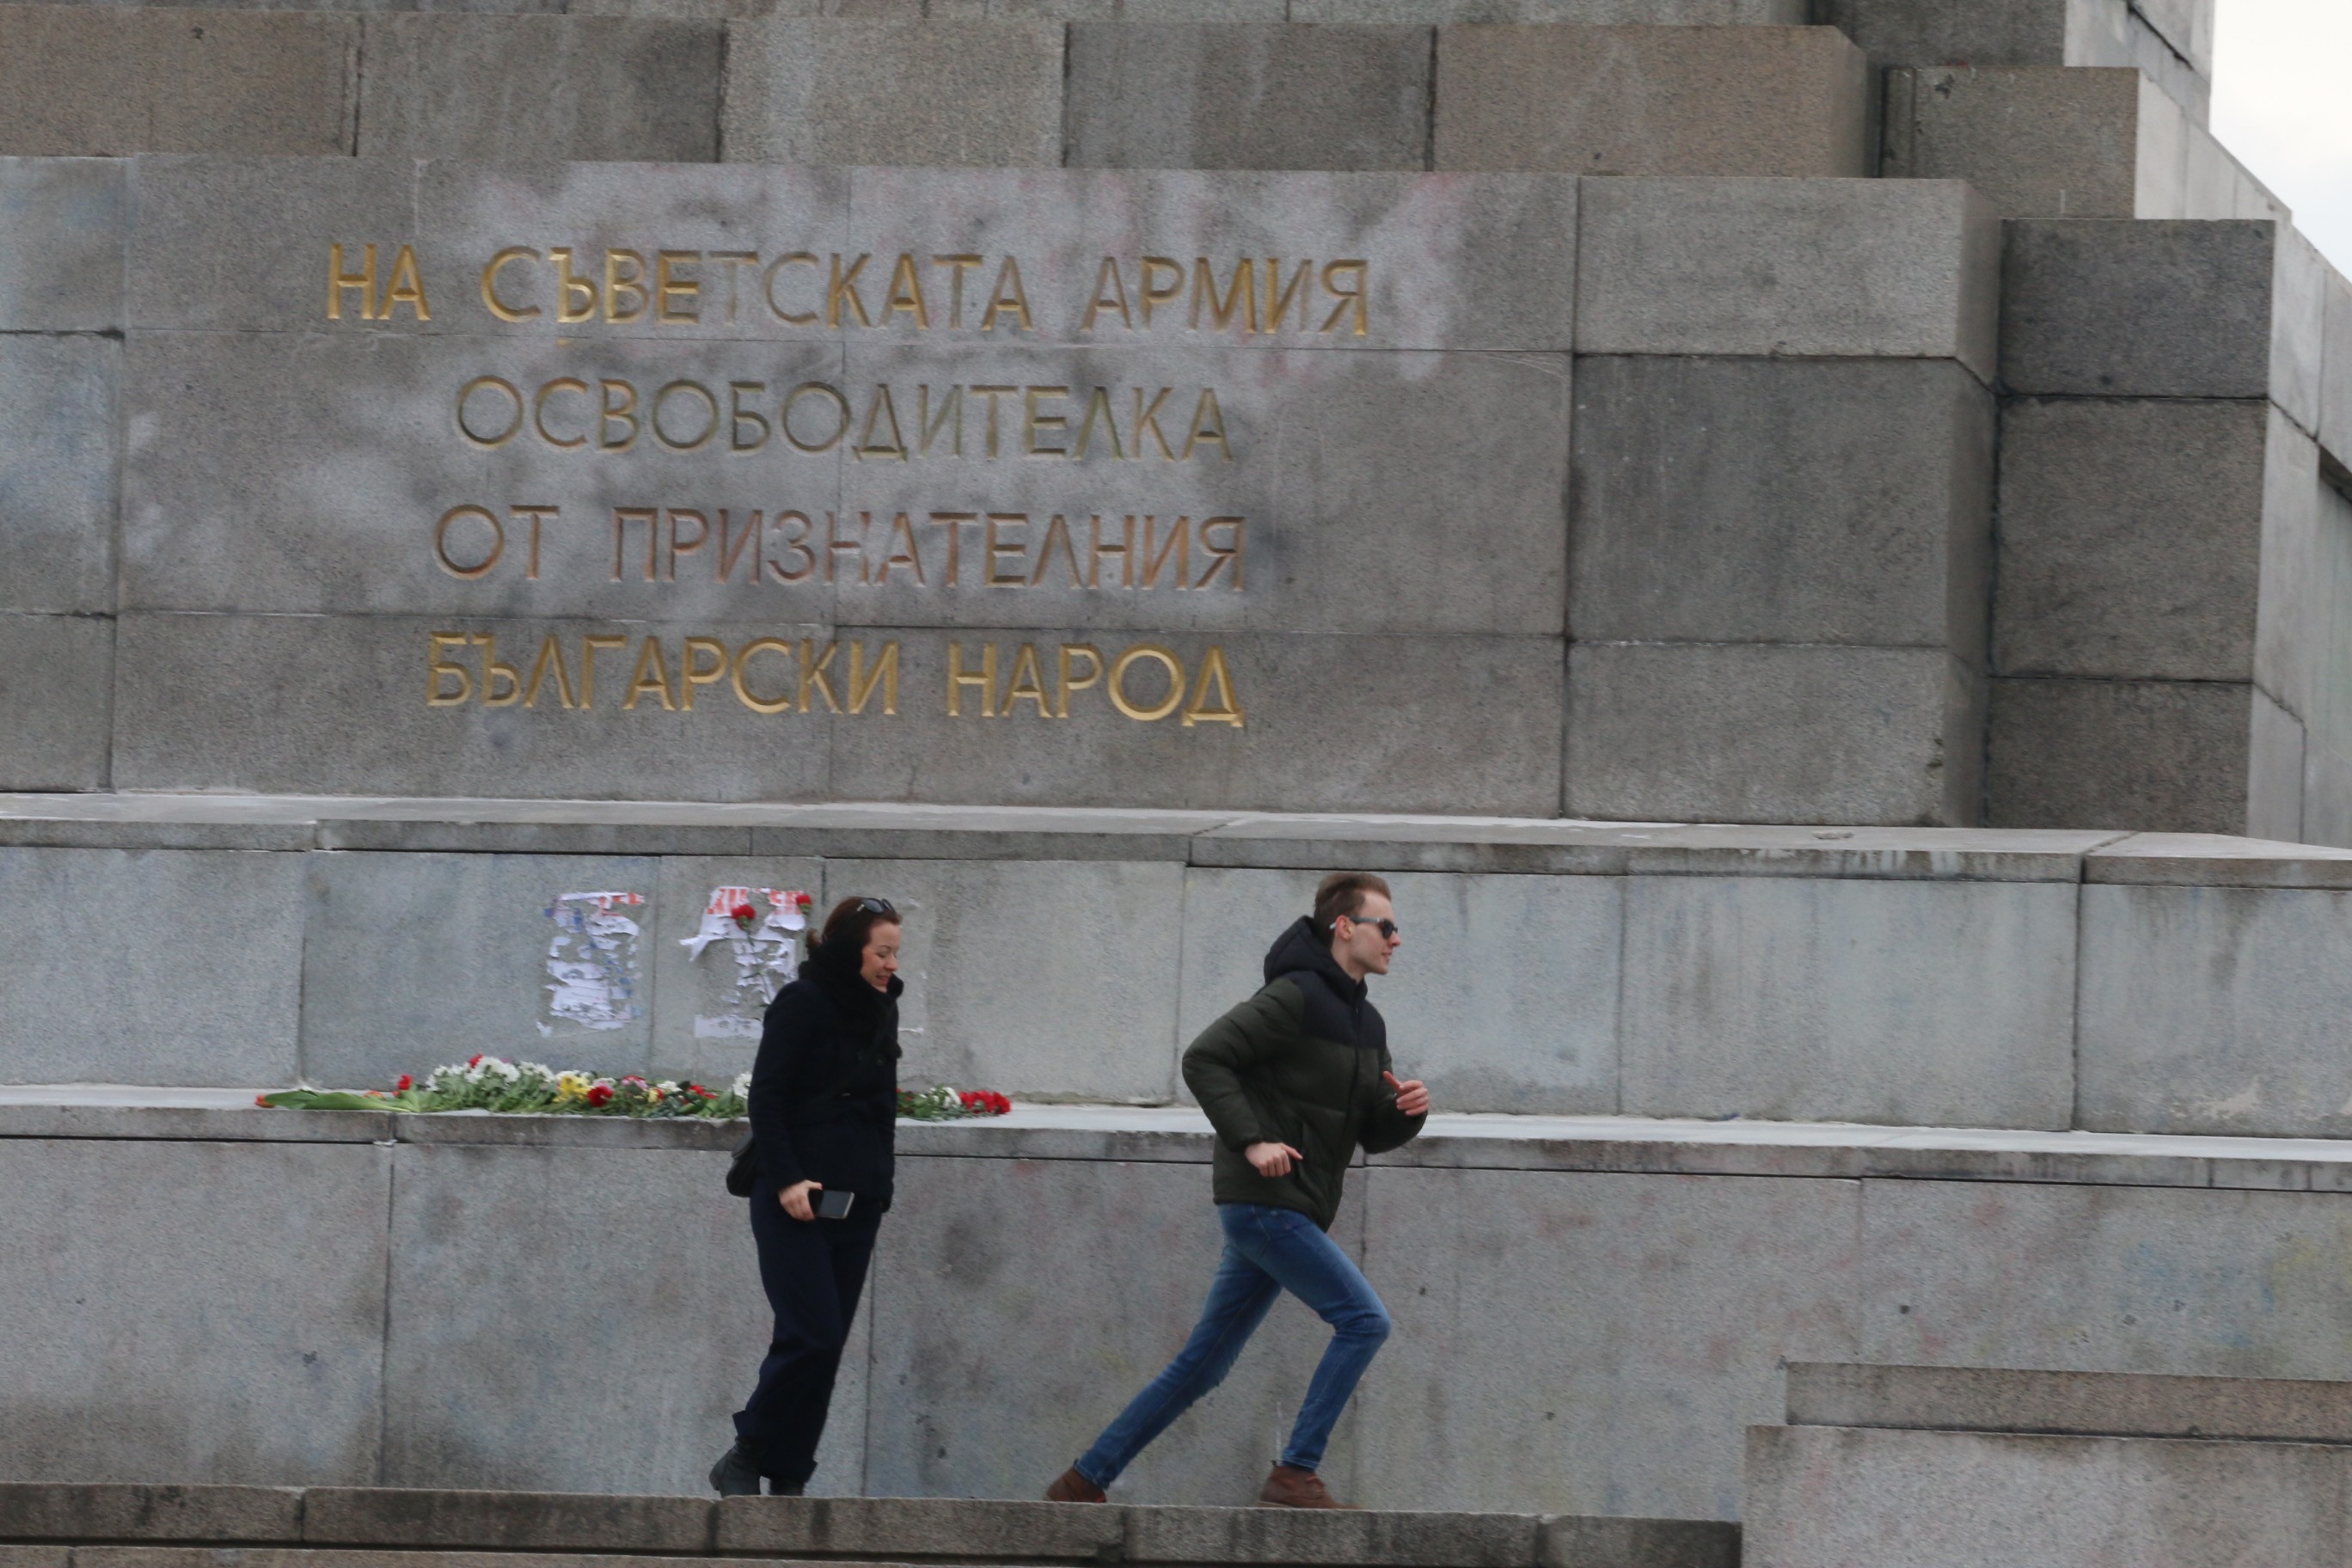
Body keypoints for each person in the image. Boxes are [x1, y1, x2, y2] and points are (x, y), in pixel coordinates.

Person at [1044, 871, 1430, 1509]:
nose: (1397, 939)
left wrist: (1407, 1112)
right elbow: (1204, 1058)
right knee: (1364, 1322)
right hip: (1266, 1204)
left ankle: (1083, 1481)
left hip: (1291, 1208)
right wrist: (1252, 1141)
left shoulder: (1368, 1023)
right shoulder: (1293, 997)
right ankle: (1295, 1473)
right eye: (1386, 926)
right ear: (1344, 927)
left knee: (1205, 1365)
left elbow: (1369, 1131)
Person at [710, 896, 904, 1498]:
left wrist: (881, 1188)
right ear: (851, 950)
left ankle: (790, 1470)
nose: (891, 965)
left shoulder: (883, 1007)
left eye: (895, 953)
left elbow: (882, 1106)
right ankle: (746, 1452)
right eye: (882, 952)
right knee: (810, 1332)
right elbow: (766, 1098)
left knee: (829, 1345)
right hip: (791, 1198)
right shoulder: (803, 1002)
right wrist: (788, 1178)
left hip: (858, 1202)